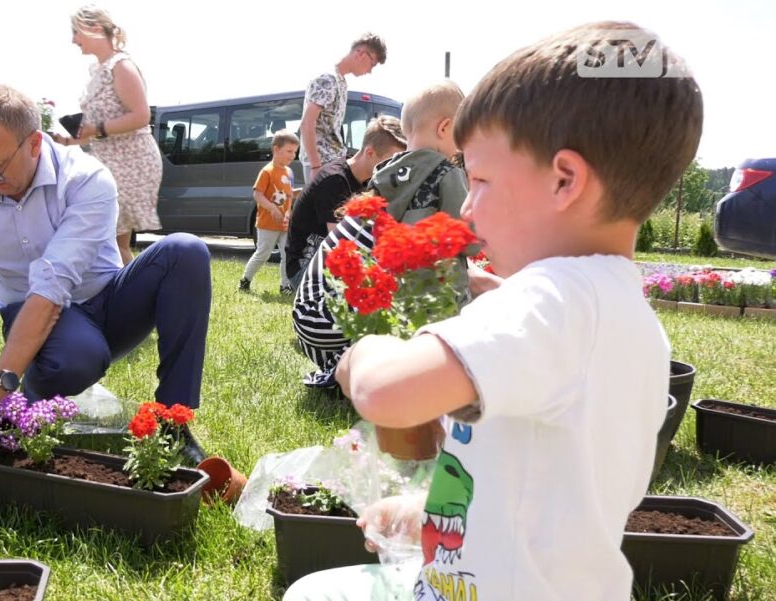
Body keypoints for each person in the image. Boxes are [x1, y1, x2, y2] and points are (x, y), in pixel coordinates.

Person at [287, 21, 703, 600]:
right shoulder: (624, 317)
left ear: (564, 180)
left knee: (311, 594)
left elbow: (387, 393)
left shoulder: (552, 298)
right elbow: (546, 487)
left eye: (479, 179)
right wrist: (424, 512)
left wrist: (365, 352)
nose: (470, 210)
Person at [0, 83, 212, 466]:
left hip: (109, 304)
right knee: (74, 359)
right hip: (32, 316)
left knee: (184, 251)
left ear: (34, 143)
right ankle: (25, 406)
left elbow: (53, 284)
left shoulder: (86, 178)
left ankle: (172, 424)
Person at [292, 85, 466, 389]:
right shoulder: (438, 172)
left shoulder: (389, 175)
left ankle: (347, 368)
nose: (462, 150)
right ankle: (366, 373)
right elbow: (455, 246)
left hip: (310, 320)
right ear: (445, 127)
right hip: (335, 322)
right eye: (462, 138)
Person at [52, 5, 161, 266]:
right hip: (110, 160)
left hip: (131, 161)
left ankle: (135, 298)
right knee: (111, 240)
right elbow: (98, 127)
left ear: (95, 29)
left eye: (76, 32)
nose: (73, 40)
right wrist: (70, 141)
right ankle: (129, 296)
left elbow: (141, 115)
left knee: (110, 239)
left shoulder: (121, 66)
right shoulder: (99, 70)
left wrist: (96, 130)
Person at [284, 115, 407, 290]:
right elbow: (343, 246)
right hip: (305, 270)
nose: (396, 169)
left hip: (327, 263)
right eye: (391, 161)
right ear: (370, 153)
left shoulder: (367, 179)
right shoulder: (334, 181)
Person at [300, 33, 387, 184]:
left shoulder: (341, 82)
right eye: (372, 64)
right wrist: (315, 167)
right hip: (322, 164)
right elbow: (307, 123)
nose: (370, 71)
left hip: (333, 161)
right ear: (360, 53)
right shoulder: (327, 80)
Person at [239, 130, 299, 294]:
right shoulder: (267, 171)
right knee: (263, 254)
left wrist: (301, 192)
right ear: (276, 149)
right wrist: (272, 208)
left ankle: (285, 285)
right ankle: (245, 280)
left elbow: (288, 194)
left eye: (295, 152)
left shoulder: (289, 172)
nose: (293, 155)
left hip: (284, 223)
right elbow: (257, 194)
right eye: (289, 151)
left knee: (287, 255)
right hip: (267, 223)